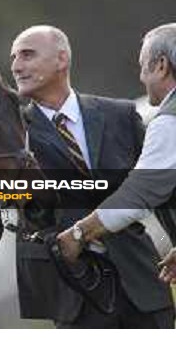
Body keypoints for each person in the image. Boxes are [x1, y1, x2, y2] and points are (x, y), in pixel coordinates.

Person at [10, 25, 174, 328]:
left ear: (61, 59)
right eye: (14, 58)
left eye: (27, 55)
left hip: (142, 281)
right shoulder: (10, 131)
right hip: (72, 293)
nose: (16, 66)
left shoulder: (120, 115)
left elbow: (159, 188)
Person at [57, 24, 176, 288]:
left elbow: (141, 192)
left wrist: (80, 233)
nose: (142, 77)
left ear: (161, 66)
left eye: (143, 66)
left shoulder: (169, 121)